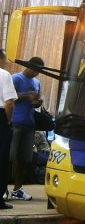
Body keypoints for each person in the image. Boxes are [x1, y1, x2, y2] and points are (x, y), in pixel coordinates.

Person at [9, 57, 45, 201]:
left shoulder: (37, 83)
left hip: (29, 123)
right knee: (9, 157)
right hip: (15, 122)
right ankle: (3, 188)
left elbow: (36, 103)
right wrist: (26, 95)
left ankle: (18, 189)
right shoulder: (16, 78)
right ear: (28, 66)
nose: (37, 73)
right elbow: (8, 97)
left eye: (39, 71)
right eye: (36, 70)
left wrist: (37, 102)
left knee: (24, 159)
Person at [0, 49, 18, 209]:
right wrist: (8, 121)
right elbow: (9, 103)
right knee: (1, 159)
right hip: (0, 118)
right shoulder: (4, 75)